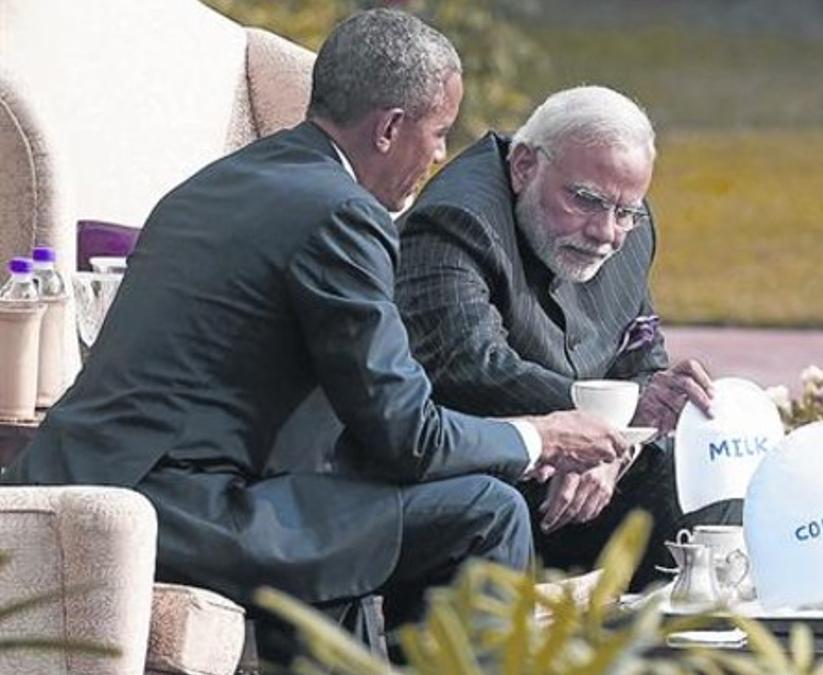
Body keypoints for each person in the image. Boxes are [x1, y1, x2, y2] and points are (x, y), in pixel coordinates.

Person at [2, 8, 629, 653]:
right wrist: (539, 438)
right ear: (389, 128)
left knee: (361, 519)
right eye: (439, 134)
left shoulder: (217, 185)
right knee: (485, 511)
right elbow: (408, 436)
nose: (442, 155)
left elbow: (372, 415)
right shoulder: (341, 214)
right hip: (179, 509)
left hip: (120, 482)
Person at [395, 86, 739, 587]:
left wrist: (628, 434)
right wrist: (601, 433)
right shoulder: (456, 220)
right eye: (585, 201)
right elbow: (472, 367)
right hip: (483, 469)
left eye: (625, 212)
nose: (606, 233)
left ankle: (679, 653)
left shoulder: (629, 226)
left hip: (578, 481)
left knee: (703, 480)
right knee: (493, 503)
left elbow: (638, 359)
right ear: (524, 167)